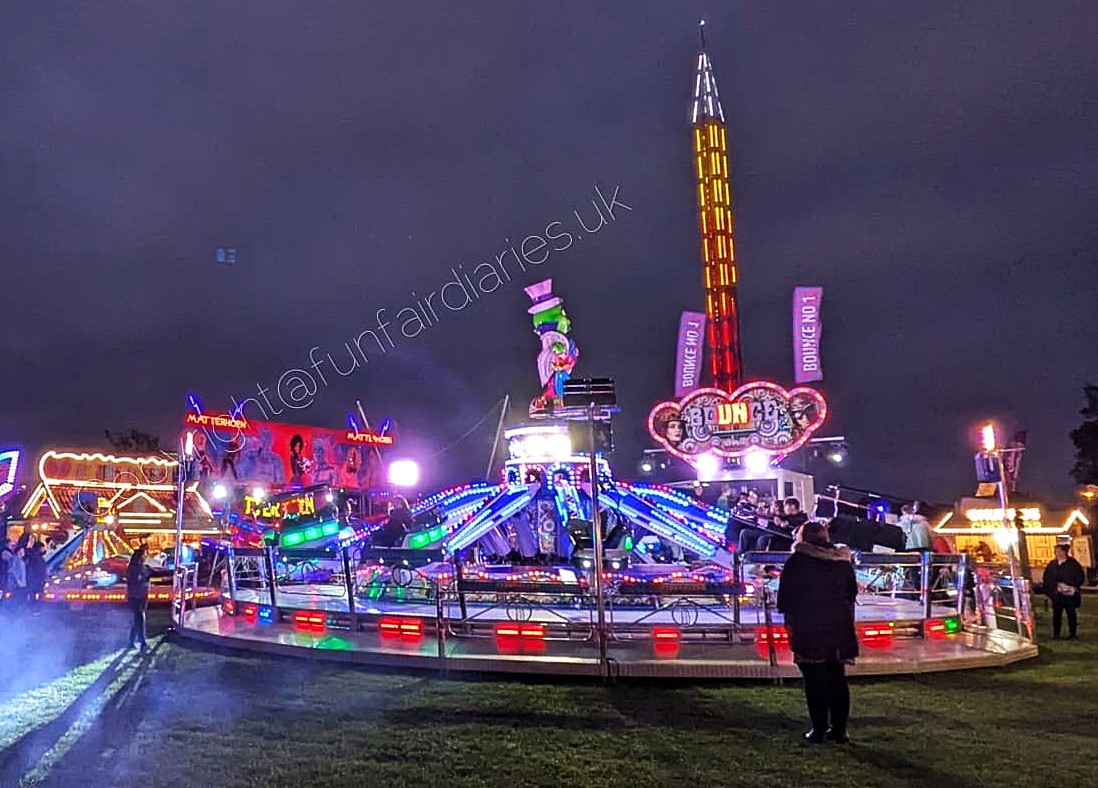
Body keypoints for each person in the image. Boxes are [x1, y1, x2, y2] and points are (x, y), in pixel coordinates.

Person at [777, 520, 859, 744]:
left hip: (809, 626)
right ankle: (840, 729)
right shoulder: (842, 562)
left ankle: (819, 728)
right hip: (839, 626)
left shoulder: (797, 561)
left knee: (814, 679)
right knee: (837, 677)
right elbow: (852, 592)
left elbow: (785, 598)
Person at [1043, 544, 1085, 639]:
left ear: (1064, 552)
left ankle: (1072, 634)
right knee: (1056, 614)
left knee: (1071, 613)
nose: (1056, 553)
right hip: (1057, 594)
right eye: (1056, 551)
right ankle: (1056, 634)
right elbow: (1047, 578)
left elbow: (1079, 576)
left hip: (1069, 595)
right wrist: (1052, 588)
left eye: (1058, 551)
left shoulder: (1073, 564)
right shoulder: (1052, 564)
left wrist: (1071, 586)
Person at [126, 545, 152, 651]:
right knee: (140, 619)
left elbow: (154, 572)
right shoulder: (132, 569)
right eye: (143, 555)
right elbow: (134, 581)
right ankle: (143, 643)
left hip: (142, 596)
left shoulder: (144, 567)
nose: (144, 557)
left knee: (137, 620)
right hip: (134, 597)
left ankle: (131, 642)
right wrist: (144, 578)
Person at [25, 540, 46, 606]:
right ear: (39, 548)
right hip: (36, 581)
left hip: (33, 581)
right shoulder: (37, 558)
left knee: (33, 597)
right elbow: (40, 570)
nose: (44, 550)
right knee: (36, 598)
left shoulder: (32, 556)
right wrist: (42, 580)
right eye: (42, 548)